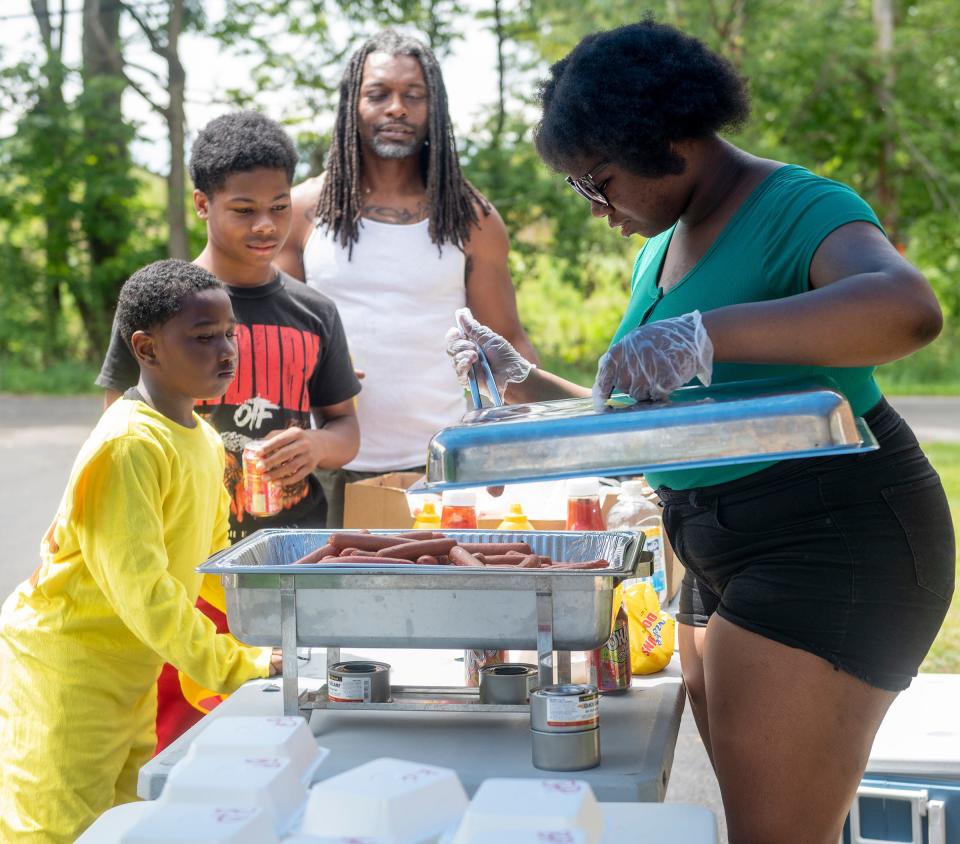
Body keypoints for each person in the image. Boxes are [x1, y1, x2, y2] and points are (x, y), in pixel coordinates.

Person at [447, 20, 955, 844]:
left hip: (826, 534)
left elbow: (907, 311)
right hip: (712, 542)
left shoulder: (801, 206)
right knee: (753, 816)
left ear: (672, 137)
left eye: (600, 181)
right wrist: (523, 381)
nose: (598, 208)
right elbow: (661, 421)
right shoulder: (663, 248)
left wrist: (707, 334)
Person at [96, 111, 362, 749]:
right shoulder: (162, 306)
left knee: (294, 732)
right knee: (185, 740)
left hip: (294, 561)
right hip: (190, 572)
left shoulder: (315, 311)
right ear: (202, 204)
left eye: (278, 206)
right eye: (243, 209)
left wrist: (317, 446)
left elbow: (347, 428)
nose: (266, 225)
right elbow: (117, 423)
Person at [0, 260, 282, 844]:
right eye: (203, 338)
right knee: (54, 830)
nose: (226, 351)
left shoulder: (203, 439)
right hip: (67, 673)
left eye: (230, 333)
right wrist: (241, 669)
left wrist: (271, 632)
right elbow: (147, 594)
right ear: (146, 348)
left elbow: (208, 562)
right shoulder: (130, 444)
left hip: (131, 672)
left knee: (124, 822)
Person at [276, 29, 537, 528]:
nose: (396, 108)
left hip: (439, 469)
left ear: (433, 108)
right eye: (379, 94)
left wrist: (520, 451)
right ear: (352, 104)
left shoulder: (472, 217)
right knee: (325, 605)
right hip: (322, 464)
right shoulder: (304, 210)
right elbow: (277, 339)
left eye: (412, 96)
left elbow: (508, 344)